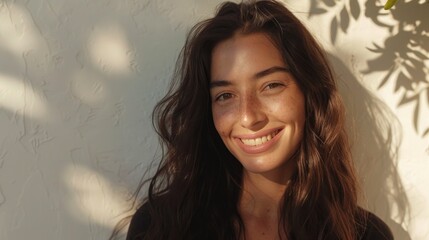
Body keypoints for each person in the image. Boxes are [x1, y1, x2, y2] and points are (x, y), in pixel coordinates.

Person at [123, 0, 394, 239]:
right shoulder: (161, 225)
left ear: (309, 94)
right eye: (225, 95)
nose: (248, 116)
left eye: (271, 85)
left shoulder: (364, 235)